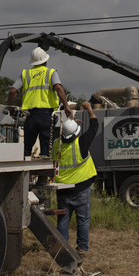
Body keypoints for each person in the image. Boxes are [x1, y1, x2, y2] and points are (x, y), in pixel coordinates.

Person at [7, 47, 74, 157]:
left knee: (27, 147)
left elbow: (12, 90)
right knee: (46, 147)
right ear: (45, 60)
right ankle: (44, 168)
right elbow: (58, 88)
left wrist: (10, 108)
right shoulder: (51, 72)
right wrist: (66, 106)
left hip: (29, 115)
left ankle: (25, 166)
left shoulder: (25, 73)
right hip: (46, 114)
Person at [52, 101, 98, 254]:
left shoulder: (56, 145)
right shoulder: (81, 143)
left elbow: (59, 132)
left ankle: (63, 250)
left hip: (62, 191)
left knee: (63, 222)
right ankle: (82, 248)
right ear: (76, 133)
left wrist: (68, 124)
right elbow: (94, 126)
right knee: (83, 221)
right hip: (81, 190)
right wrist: (90, 109)